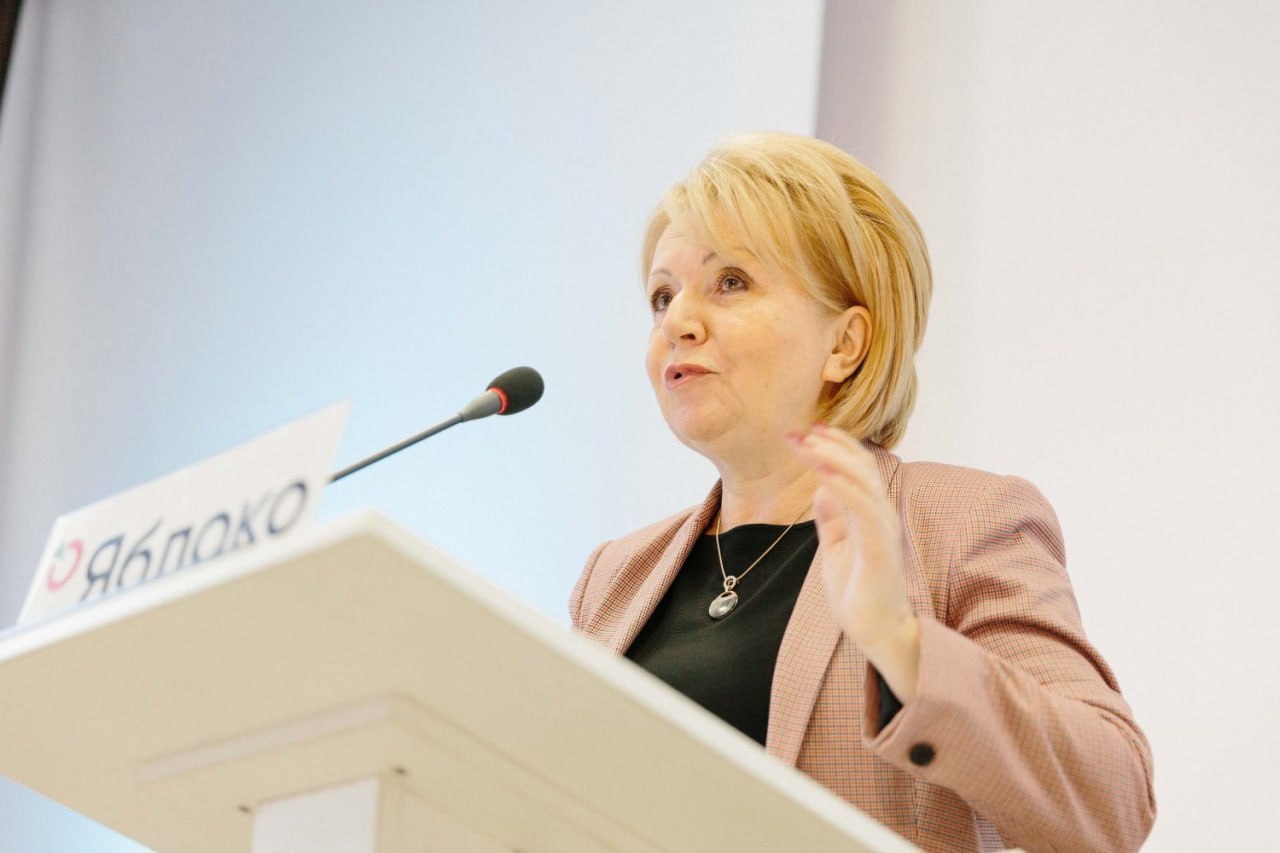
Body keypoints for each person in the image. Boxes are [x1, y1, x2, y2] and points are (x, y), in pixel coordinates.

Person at [569, 132, 1155, 852]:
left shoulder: (961, 524)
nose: (677, 323)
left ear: (845, 344)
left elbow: (1112, 803)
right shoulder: (615, 577)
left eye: (731, 282)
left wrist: (902, 645)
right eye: (662, 296)